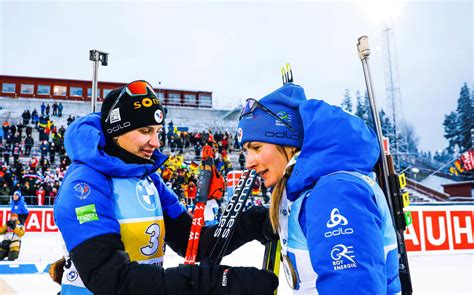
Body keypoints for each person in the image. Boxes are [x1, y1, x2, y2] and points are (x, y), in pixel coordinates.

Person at [53, 80, 278, 295]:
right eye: (145, 131)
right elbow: (111, 279)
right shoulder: (85, 184)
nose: (156, 142)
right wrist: (205, 283)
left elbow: (193, 242)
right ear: (117, 130)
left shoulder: (148, 179)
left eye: (157, 132)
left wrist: (250, 224)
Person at [237, 82, 401, 294]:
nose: (249, 162)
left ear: (288, 143)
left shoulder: (334, 193)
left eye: (256, 148)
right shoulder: (312, 192)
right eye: (246, 151)